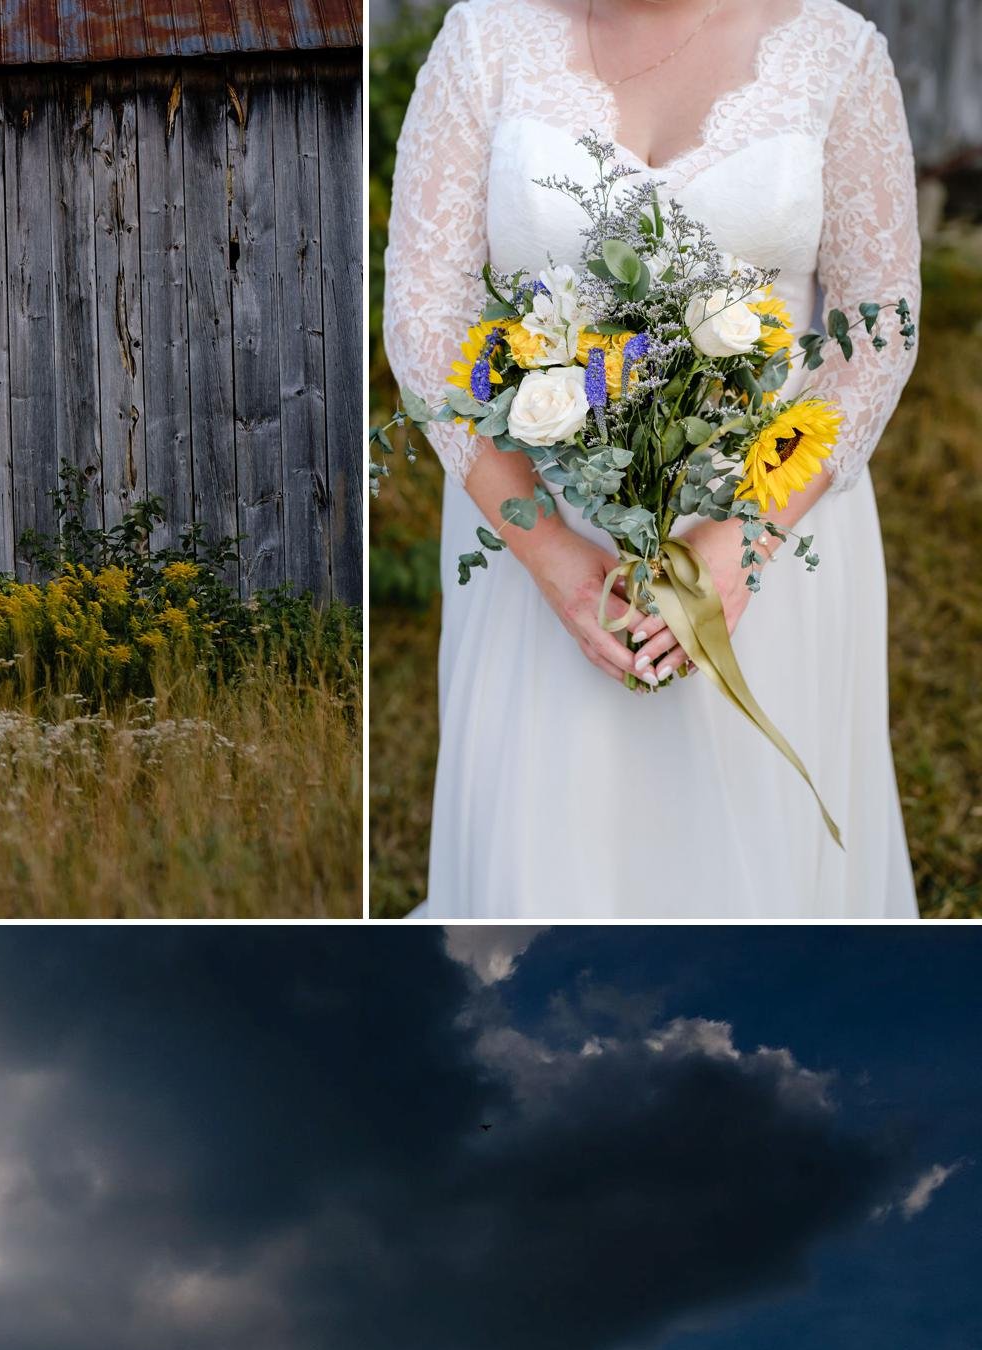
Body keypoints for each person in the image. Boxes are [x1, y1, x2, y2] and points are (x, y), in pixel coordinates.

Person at [384, 0, 920, 916]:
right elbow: (424, 323)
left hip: (772, 537)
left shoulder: (834, 50)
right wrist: (555, 560)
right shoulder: (484, 37)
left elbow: (880, 323)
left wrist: (745, 541)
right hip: (541, 535)